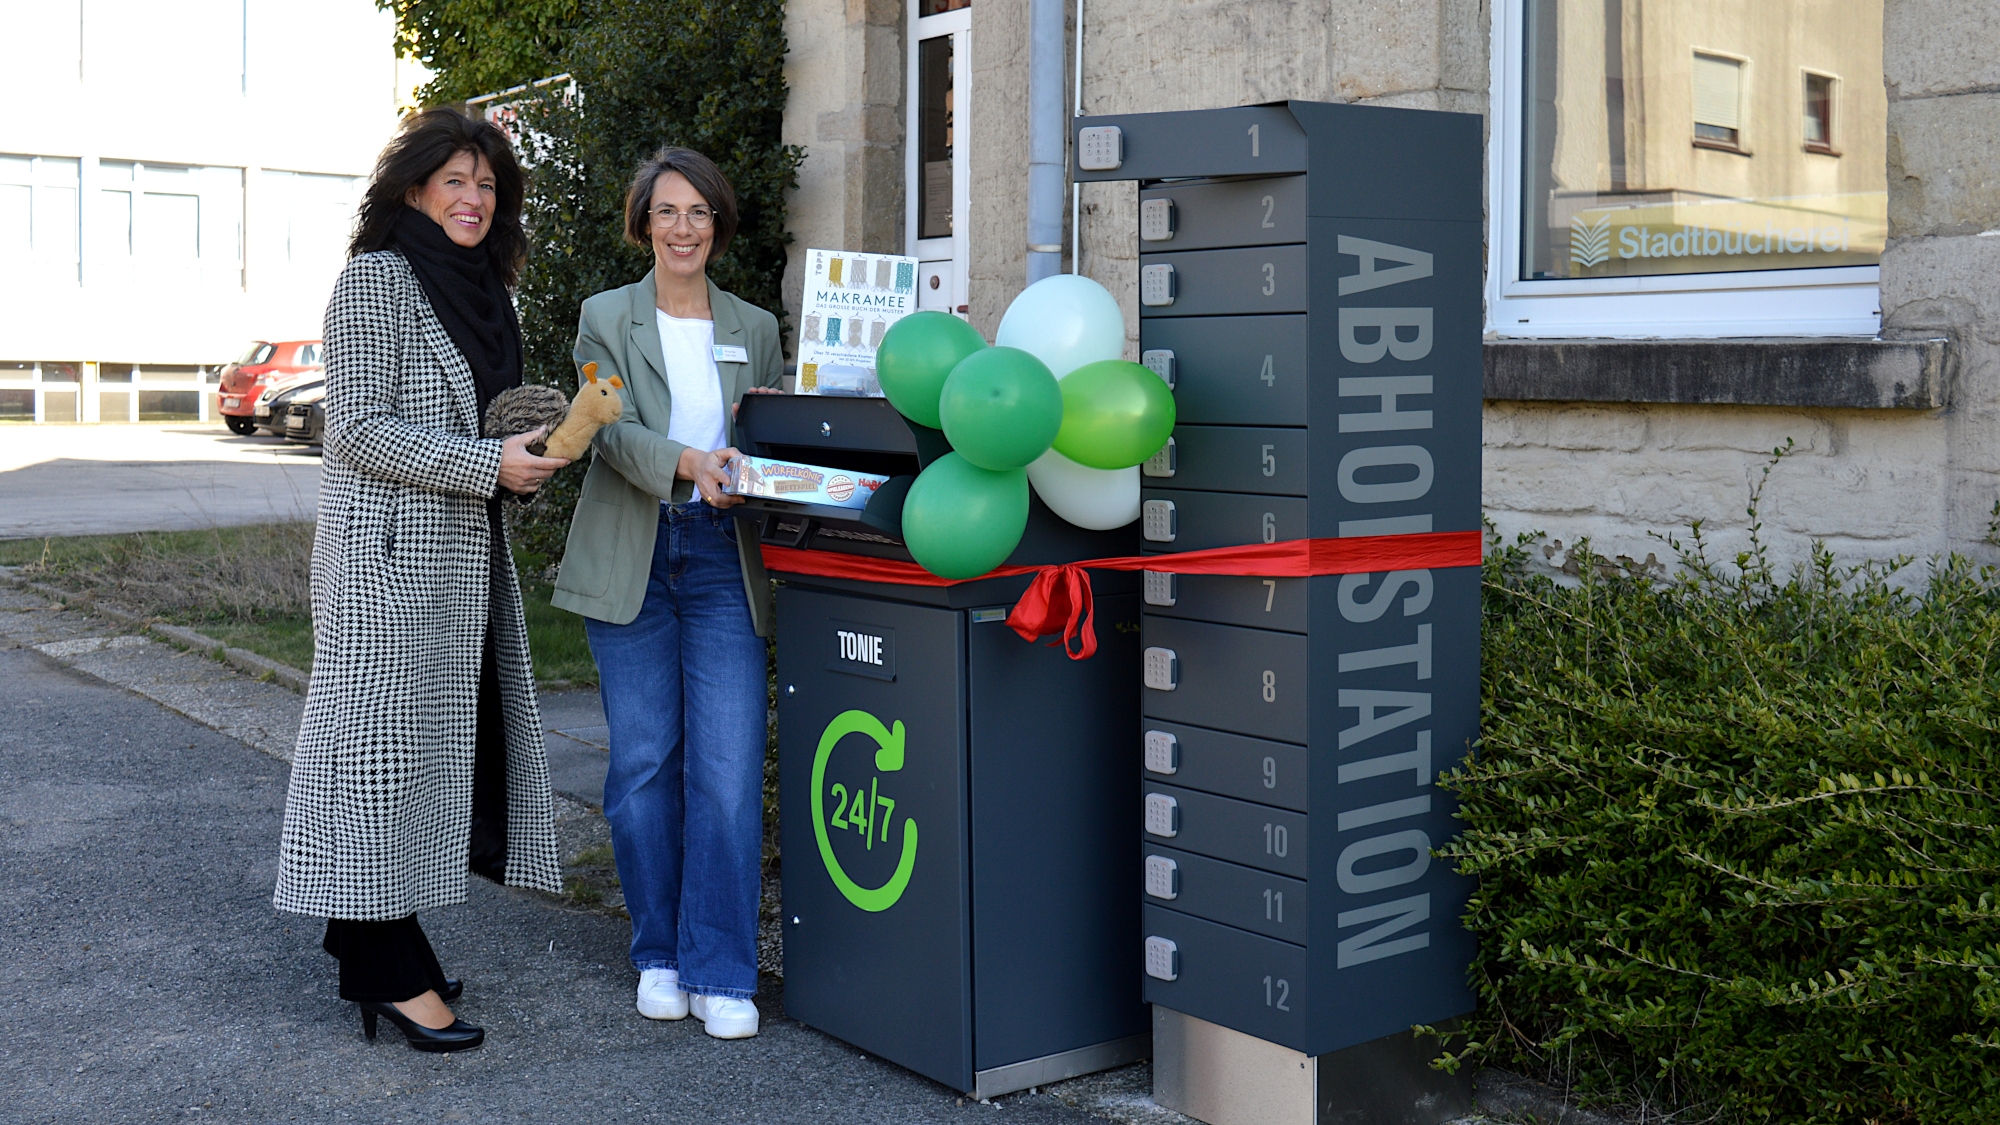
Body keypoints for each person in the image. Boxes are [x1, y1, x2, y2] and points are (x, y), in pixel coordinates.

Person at [273, 107, 569, 1052]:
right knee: (372, 765)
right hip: (382, 567)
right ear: (413, 190)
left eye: (487, 185)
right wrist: (488, 466)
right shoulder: (374, 281)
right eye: (456, 181)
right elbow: (354, 427)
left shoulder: (483, 291)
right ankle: (385, 964)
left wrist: (526, 443)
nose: (474, 199)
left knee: (422, 763)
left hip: (458, 561)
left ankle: (366, 930)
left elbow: (466, 422)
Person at [550, 147, 782, 1040]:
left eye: (699, 213)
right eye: (667, 211)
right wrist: (689, 462)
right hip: (635, 558)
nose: (683, 227)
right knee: (643, 767)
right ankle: (658, 951)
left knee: (726, 773)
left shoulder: (755, 325)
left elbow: (766, 431)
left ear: (718, 225)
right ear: (643, 221)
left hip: (724, 557)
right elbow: (606, 430)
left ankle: (721, 966)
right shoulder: (605, 316)